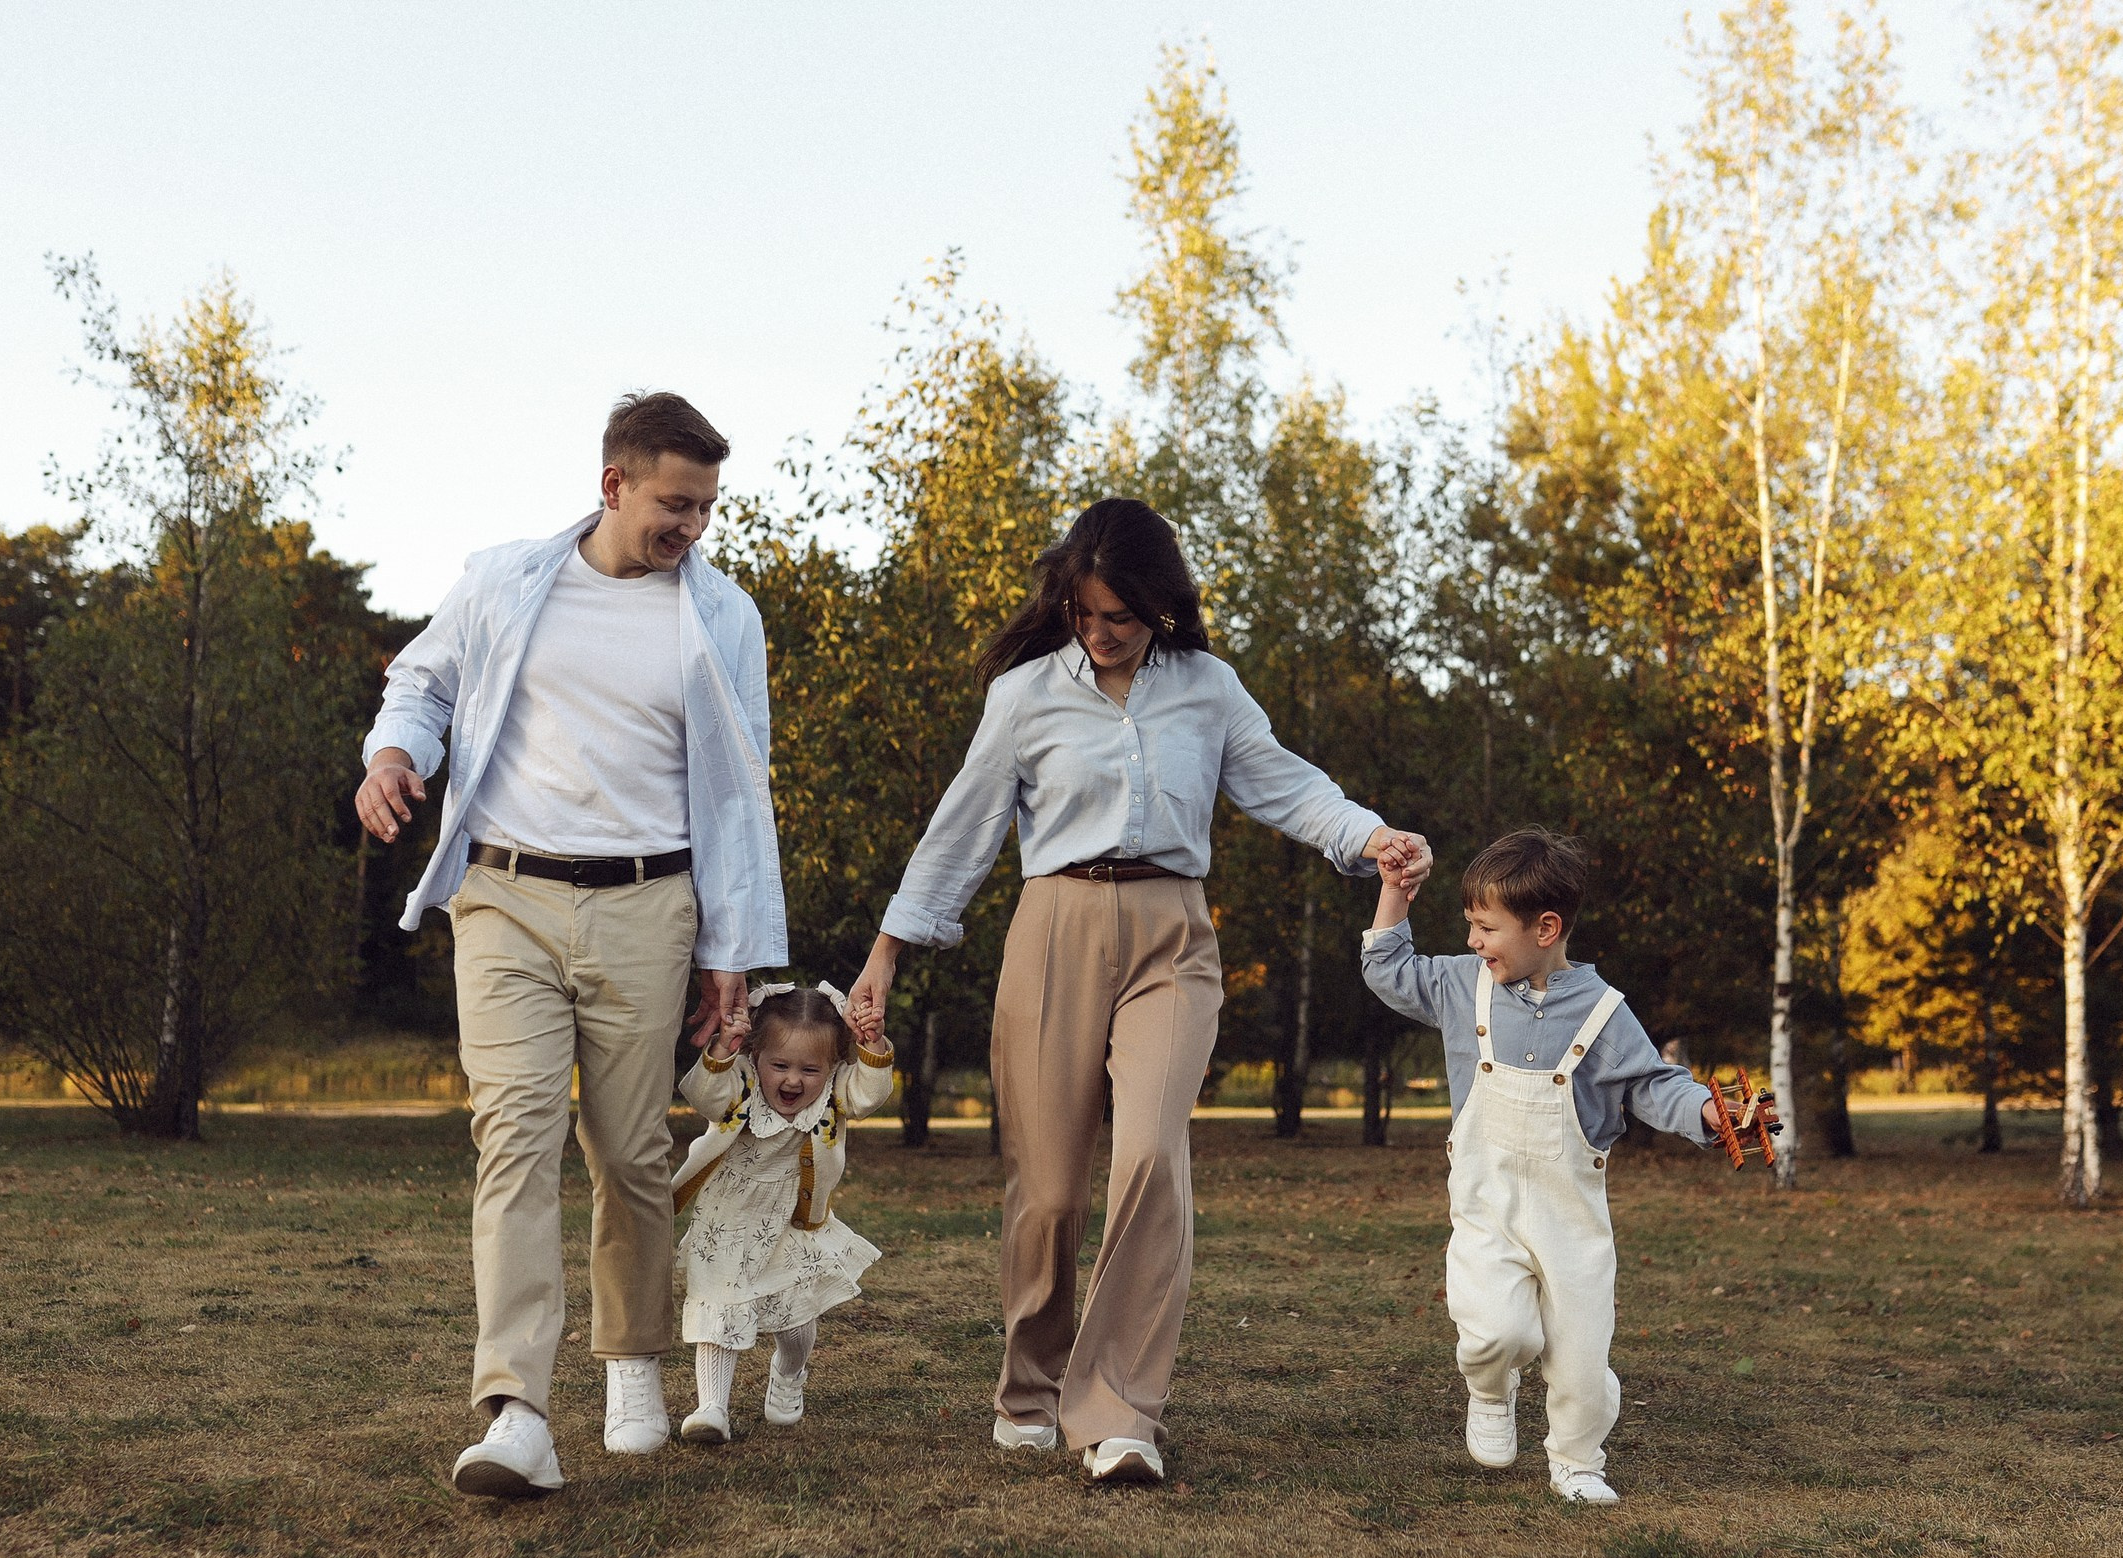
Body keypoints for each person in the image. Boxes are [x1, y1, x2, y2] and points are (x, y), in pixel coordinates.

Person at [846, 497, 1432, 1486]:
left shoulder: (1206, 688)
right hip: (1053, 930)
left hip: (1171, 935)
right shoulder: (1026, 696)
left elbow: (1283, 784)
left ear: (1158, 605)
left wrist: (1369, 835)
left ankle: (1119, 1412)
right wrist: (887, 952)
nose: (1100, 633)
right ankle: (1029, 1386)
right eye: (1083, 614)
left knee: (1152, 1157)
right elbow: (963, 830)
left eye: (1119, 615)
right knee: (1049, 1192)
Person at [353, 392, 786, 1499]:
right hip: (504, 896)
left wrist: (731, 951)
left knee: (632, 1151)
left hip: (652, 903)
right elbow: (422, 679)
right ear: (614, 486)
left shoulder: (724, 618)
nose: (690, 526)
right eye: (674, 505)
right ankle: (517, 1412)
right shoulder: (507, 579)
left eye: (704, 509)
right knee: (513, 1137)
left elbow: (742, 796)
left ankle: (632, 1359)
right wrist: (395, 754)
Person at [1361, 826, 1724, 1505]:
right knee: (1497, 1329)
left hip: (1570, 1218)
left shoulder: (1605, 1012)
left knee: (1582, 1359)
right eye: (1471, 924)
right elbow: (1386, 969)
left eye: (1486, 927)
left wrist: (1705, 1110)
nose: (1473, 940)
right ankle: (1491, 1389)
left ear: (1546, 927)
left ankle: (1578, 1458)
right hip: (1487, 1203)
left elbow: (1652, 1084)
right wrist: (1392, 892)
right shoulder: (1460, 986)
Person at [670, 983, 893, 1443]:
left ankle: (790, 1370)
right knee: (719, 1303)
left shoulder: (834, 1097)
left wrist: (872, 1045)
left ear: (832, 1067)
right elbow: (706, 1096)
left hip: (792, 1219)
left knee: (794, 1316)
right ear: (755, 1056)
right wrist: (721, 1049)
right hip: (726, 1217)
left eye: (810, 1069)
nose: (793, 1081)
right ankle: (711, 1407)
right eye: (780, 1065)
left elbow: (868, 1096)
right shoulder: (742, 1084)